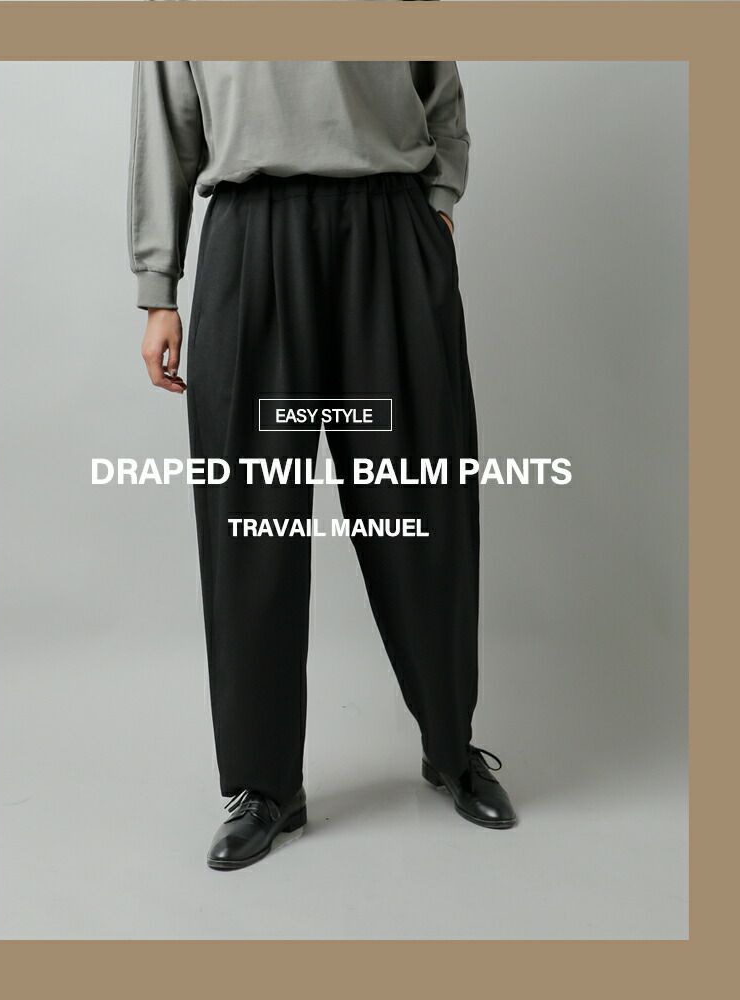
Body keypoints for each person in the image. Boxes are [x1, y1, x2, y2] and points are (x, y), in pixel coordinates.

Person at [128, 60, 517, 872]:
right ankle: (264, 785)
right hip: (251, 231)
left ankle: (450, 745)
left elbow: (439, 88)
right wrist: (159, 288)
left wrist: (438, 203)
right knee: (251, 524)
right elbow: (165, 121)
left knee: (422, 506)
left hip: (389, 226)